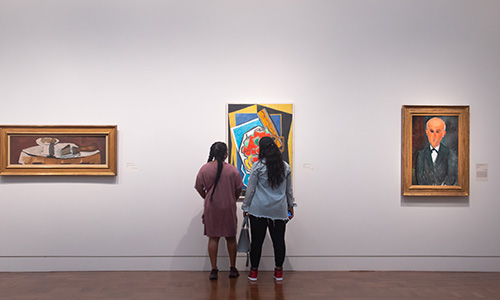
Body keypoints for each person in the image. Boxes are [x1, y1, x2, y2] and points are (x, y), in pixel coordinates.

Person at [241, 136, 294, 282]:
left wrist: (245, 207)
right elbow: (289, 191)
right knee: (279, 241)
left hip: (258, 210)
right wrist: (290, 206)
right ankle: (278, 273)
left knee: (257, 241)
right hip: (278, 210)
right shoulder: (285, 166)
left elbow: (250, 189)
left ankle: (253, 273)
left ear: (261, 150)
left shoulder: (257, 166)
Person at [195, 141, 243, 280]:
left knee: (213, 237)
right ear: (226, 153)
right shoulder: (232, 170)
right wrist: (232, 198)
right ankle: (233, 268)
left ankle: (214, 269)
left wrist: (207, 197)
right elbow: (239, 188)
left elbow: (199, 187)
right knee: (231, 237)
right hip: (228, 206)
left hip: (212, 206)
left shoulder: (204, 169)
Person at [416, 117, 458, 185]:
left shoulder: (450, 154)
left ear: (443, 133)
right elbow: (420, 179)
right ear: (427, 132)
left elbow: (452, 178)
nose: (434, 136)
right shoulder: (421, 155)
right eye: (431, 131)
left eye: (437, 131)